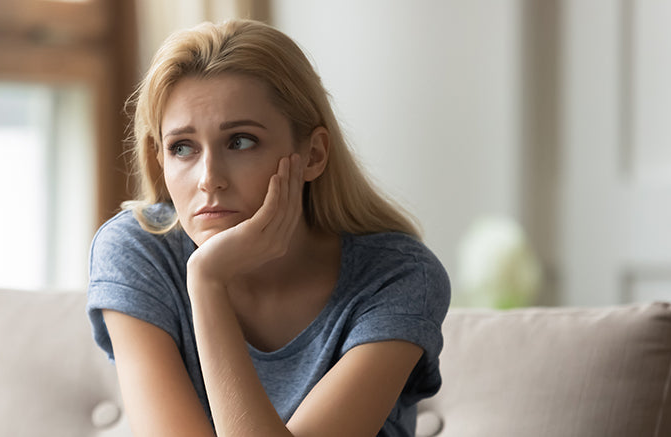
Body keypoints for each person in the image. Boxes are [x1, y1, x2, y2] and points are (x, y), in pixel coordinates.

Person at [86, 19, 450, 437]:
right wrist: (209, 280)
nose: (209, 178)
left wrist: (206, 284)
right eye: (182, 148)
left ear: (312, 155)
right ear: (159, 160)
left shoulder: (398, 279)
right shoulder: (136, 252)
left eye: (240, 141)